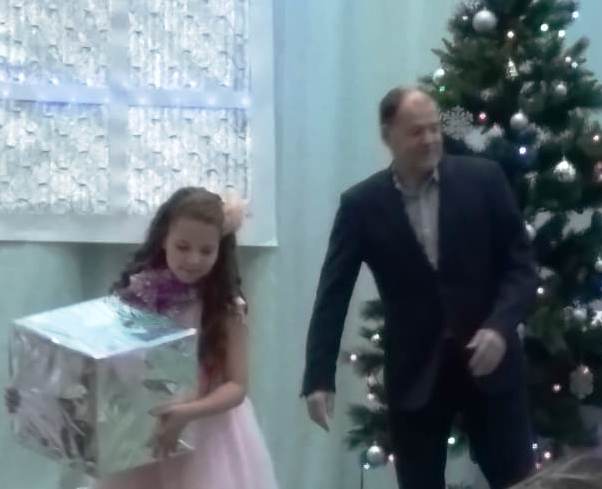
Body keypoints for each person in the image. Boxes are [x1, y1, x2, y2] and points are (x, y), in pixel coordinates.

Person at [301, 87, 538, 489]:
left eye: (434, 129)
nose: (429, 140)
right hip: (415, 374)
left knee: (519, 481)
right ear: (387, 136)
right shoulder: (361, 205)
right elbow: (333, 293)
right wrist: (319, 378)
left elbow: (521, 266)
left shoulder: (484, 180)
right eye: (416, 132)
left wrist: (500, 327)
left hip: (491, 366)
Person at [7, 187, 279, 489]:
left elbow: (237, 386)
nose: (193, 259)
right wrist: (40, 392)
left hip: (208, 434)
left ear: (220, 249)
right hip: (146, 429)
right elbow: (102, 359)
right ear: (164, 240)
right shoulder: (140, 294)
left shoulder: (226, 307)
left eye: (206, 251)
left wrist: (188, 412)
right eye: (183, 247)